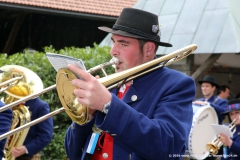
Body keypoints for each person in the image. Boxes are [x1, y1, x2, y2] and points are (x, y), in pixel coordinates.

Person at [64, 8, 196, 160]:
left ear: (148, 49)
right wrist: (86, 117)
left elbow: (168, 147)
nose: (113, 51)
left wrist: (108, 105)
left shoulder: (176, 84)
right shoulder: (109, 84)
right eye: (114, 42)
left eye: (123, 44)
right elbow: (72, 152)